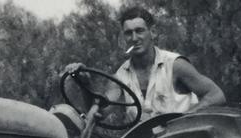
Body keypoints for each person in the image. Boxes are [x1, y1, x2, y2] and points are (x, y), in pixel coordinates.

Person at [66, 5, 225, 121]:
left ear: (152, 32)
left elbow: (216, 95)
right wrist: (85, 84)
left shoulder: (175, 65)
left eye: (140, 31)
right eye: (129, 33)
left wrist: (184, 118)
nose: (134, 38)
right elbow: (100, 112)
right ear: (124, 39)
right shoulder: (120, 76)